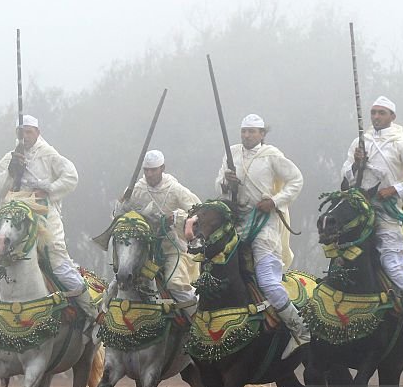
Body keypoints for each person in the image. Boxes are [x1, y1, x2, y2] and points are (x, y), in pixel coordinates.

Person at [0, 115, 98, 330]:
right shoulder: (9, 158)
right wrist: (12, 172)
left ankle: (93, 315)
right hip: (16, 218)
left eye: (29, 132)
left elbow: (71, 177)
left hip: (45, 216)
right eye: (21, 133)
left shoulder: (49, 154)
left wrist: (48, 189)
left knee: (58, 263)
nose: (25, 136)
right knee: (1, 265)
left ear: (37, 133)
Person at [340, 96, 403, 335]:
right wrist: (355, 165)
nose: (376, 117)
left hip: (387, 212)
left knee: (392, 265)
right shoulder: (360, 142)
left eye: (382, 113)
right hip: (359, 211)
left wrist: (395, 189)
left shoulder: (400, 142)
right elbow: (345, 178)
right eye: (373, 113)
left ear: (392, 116)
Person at [215, 114, 306, 355]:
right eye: (244, 131)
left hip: (265, 225)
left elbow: (296, 180)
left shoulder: (272, 155)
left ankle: (300, 330)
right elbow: (218, 187)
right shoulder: (231, 153)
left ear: (262, 134)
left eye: (252, 132)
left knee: (267, 281)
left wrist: (275, 201)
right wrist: (227, 183)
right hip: (236, 224)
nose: (247, 135)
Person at [114, 149, 200, 319]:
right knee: (117, 284)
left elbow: (198, 213)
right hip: (144, 251)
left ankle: (197, 323)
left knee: (174, 284)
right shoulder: (136, 189)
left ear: (162, 168)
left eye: (153, 170)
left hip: (172, 249)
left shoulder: (176, 190)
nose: (149, 174)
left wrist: (176, 217)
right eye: (146, 170)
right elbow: (119, 216)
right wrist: (121, 203)